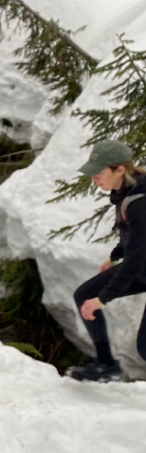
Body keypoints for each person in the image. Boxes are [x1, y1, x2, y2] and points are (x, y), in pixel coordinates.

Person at [68, 139, 146, 382]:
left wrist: (103, 299)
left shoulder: (140, 203)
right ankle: (105, 364)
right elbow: (133, 238)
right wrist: (114, 257)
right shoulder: (125, 193)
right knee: (84, 294)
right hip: (142, 268)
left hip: (140, 267)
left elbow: (136, 259)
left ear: (120, 170)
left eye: (99, 173)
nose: (95, 179)